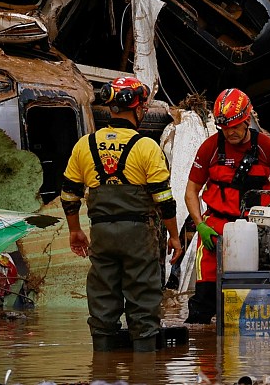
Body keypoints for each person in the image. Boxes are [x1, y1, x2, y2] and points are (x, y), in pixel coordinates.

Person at [60, 76, 182, 352]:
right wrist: (174, 236)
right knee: (143, 301)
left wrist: (75, 230)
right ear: (138, 110)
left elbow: (69, 194)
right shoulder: (147, 147)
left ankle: (102, 370)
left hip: (101, 234)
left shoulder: (84, 145)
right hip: (139, 236)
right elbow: (164, 199)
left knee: (103, 298)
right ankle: (144, 369)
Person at [183, 88, 270, 325]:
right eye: (225, 128)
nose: (230, 132)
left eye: (235, 126)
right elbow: (191, 191)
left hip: (255, 230)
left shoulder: (266, 147)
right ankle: (204, 357)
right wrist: (200, 225)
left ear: (247, 119)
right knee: (203, 304)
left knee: (255, 302)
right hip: (215, 230)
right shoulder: (210, 148)